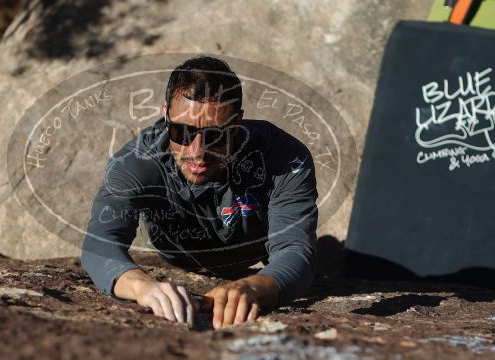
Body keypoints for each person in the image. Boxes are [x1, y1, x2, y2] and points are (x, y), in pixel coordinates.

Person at [80, 55, 318, 329]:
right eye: (181, 132)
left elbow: (296, 250)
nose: (197, 151)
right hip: (179, 257)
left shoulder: (283, 157)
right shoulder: (137, 161)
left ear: (238, 123)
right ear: (166, 114)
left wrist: (252, 287)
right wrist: (142, 288)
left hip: (254, 253)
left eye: (216, 135)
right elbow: (100, 243)